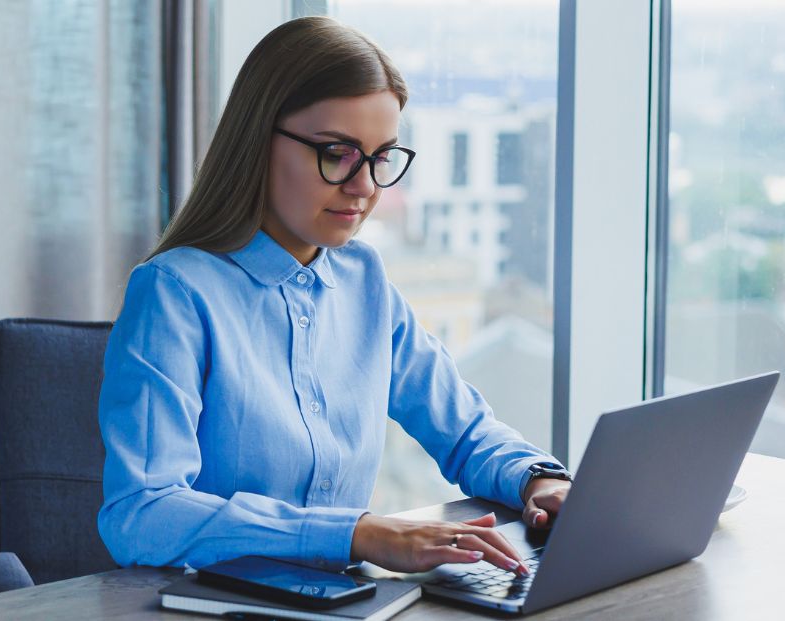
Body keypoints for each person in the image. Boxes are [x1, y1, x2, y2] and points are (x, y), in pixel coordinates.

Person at [98, 15, 571, 578]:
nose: (365, 186)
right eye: (336, 153)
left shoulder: (364, 280)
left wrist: (538, 478)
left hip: (348, 602)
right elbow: (142, 512)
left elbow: (465, 431)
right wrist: (357, 534)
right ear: (258, 142)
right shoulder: (174, 294)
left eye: (380, 157)